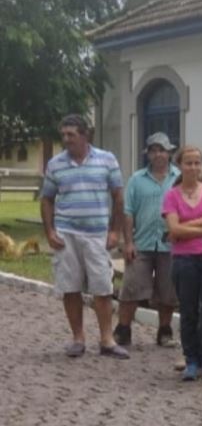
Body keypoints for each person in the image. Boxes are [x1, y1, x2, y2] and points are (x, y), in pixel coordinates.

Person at [40, 114, 128, 360]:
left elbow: (118, 196)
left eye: (71, 134)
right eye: (63, 135)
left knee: (102, 287)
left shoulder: (106, 160)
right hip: (66, 234)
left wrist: (115, 231)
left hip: (97, 234)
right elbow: (46, 198)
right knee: (70, 287)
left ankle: (107, 339)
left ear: (84, 134)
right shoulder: (56, 164)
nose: (66, 139)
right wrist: (50, 231)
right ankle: (78, 338)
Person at [162, 145, 202, 381]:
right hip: (183, 260)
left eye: (198, 162)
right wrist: (201, 227)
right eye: (189, 163)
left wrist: (183, 229)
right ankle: (191, 360)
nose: (194, 167)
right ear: (180, 165)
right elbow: (172, 228)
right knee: (188, 312)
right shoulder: (172, 196)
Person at [114, 132, 180, 348]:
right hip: (141, 243)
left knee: (167, 291)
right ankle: (123, 329)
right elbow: (128, 211)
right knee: (131, 288)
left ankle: (164, 330)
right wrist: (128, 242)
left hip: (169, 244)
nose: (158, 154)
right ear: (148, 154)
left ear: (170, 153)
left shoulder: (178, 179)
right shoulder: (136, 179)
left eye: (162, 150)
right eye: (153, 150)